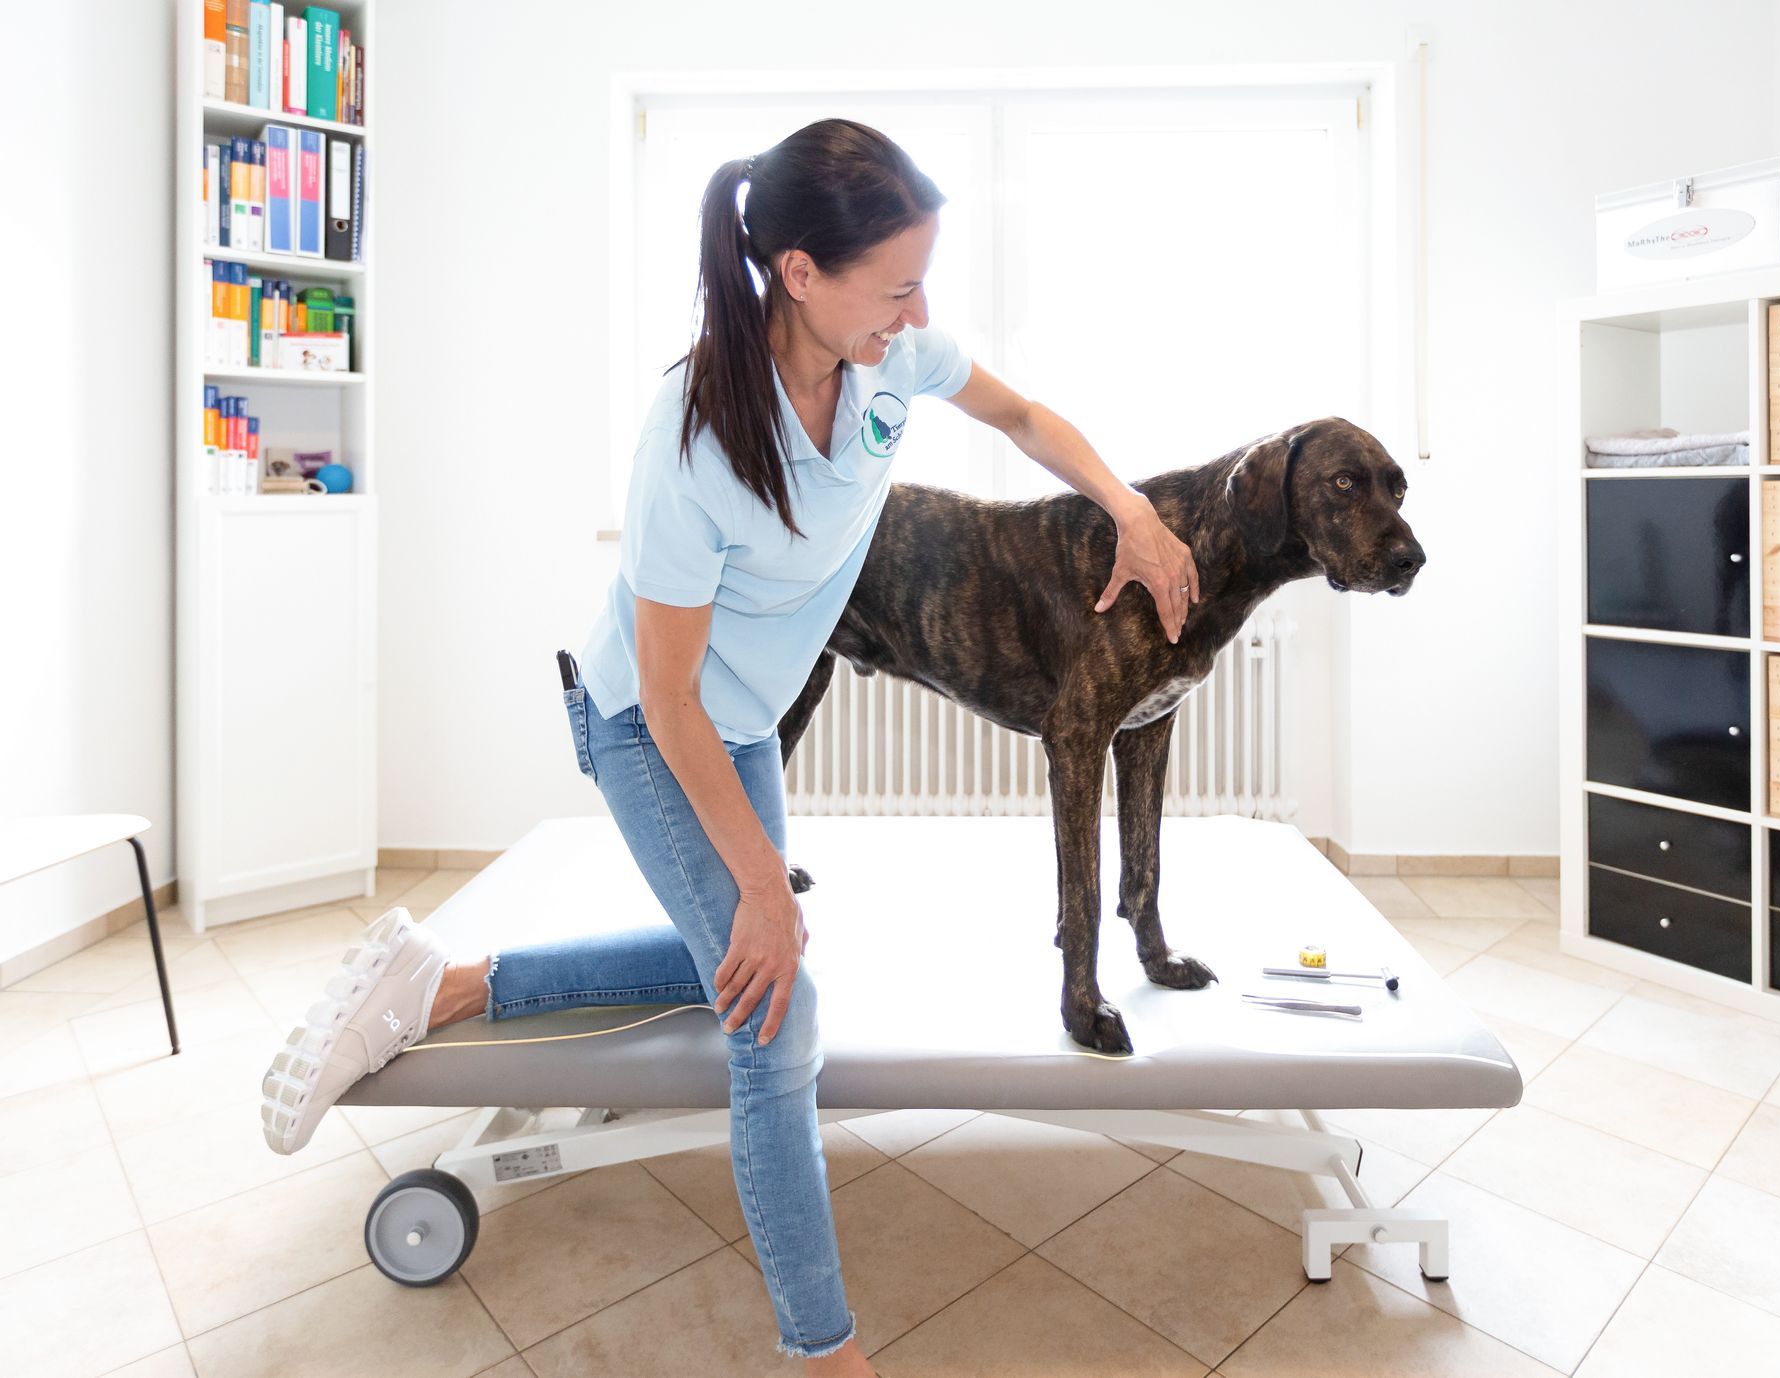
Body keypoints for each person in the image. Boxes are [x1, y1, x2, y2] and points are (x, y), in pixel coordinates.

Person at [259, 117, 1199, 1373]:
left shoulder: (889, 356)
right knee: (776, 1015)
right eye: (898, 285)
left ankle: (444, 986)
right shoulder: (695, 435)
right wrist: (762, 879)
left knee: (743, 961)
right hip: (647, 723)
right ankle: (824, 1350)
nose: (920, 311)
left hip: (737, 718)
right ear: (800, 272)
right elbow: (665, 697)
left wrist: (1130, 509)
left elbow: (1023, 414)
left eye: (923, 281)